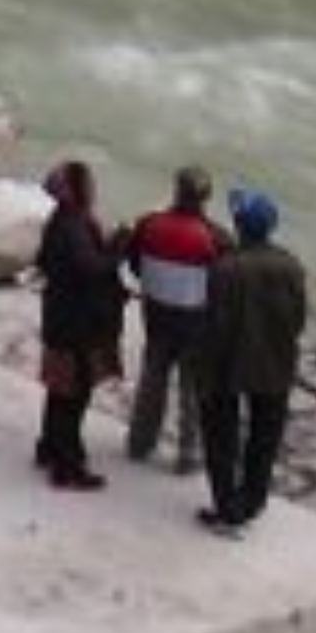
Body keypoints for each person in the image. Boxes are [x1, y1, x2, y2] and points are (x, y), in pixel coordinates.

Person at [198, 187, 308, 535]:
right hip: (276, 363)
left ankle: (227, 506)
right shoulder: (291, 266)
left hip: (229, 366)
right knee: (264, 437)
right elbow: (299, 319)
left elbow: (214, 327)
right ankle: (252, 500)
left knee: (221, 437)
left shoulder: (225, 269)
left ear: (239, 226)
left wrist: (202, 369)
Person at [118, 165, 224, 473]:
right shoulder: (217, 239)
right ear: (207, 198)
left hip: (157, 316)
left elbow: (136, 265)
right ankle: (188, 454)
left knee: (152, 380)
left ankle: (140, 442)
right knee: (192, 390)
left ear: (176, 190)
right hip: (196, 324)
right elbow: (221, 285)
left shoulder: (148, 224)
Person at [29, 157, 124, 491]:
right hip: (77, 325)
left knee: (59, 390)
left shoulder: (59, 220)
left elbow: (43, 260)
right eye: (87, 182)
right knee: (75, 395)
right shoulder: (74, 225)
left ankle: (49, 448)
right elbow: (92, 269)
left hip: (58, 317)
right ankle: (67, 468)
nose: (93, 187)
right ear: (77, 191)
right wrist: (118, 248)